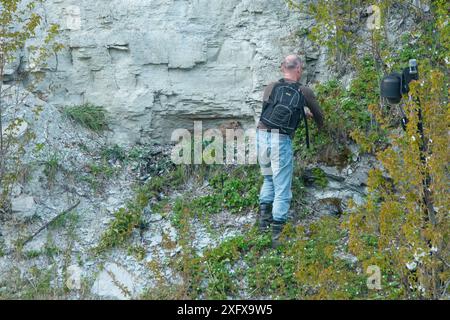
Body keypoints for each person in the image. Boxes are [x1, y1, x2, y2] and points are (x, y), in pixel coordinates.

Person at [256, 54, 324, 248]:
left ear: (282, 68)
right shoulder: (304, 91)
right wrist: (321, 127)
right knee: (282, 186)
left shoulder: (271, 87)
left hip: (261, 135)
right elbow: (319, 116)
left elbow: (269, 110)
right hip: (281, 140)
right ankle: (278, 233)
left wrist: (300, 111)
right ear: (299, 69)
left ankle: (262, 222)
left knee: (268, 178)